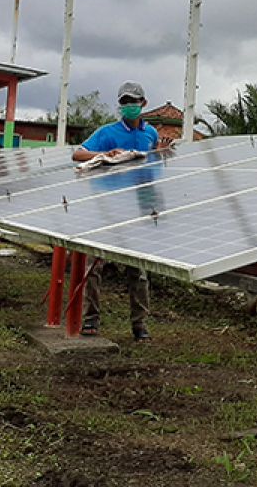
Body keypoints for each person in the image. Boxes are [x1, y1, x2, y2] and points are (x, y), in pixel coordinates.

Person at [71, 81, 159, 341]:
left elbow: (154, 162)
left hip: (137, 208)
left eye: (133, 101)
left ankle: (140, 324)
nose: (129, 106)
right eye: (124, 102)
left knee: (139, 272)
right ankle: (91, 320)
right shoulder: (107, 132)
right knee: (93, 267)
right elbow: (78, 154)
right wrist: (104, 154)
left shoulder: (150, 134)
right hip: (107, 207)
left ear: (144, 103)